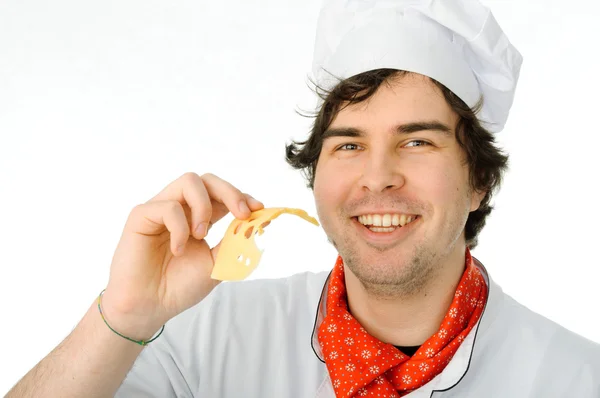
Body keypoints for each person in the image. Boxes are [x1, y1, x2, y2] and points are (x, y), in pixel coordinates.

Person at [7, 0, 600, 397]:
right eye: (347, 145)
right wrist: (123, 318)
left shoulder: (575, 378)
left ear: (479, 182)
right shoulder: (203, 339)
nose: (378, 177)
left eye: (416, 141)